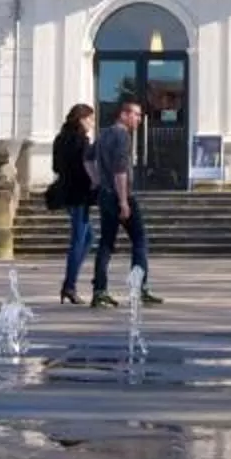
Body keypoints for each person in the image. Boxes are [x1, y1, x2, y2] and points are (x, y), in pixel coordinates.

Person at [89, 98, 163, 307]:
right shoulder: (122, 136)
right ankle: (139, 287)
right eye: (136, 115)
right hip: (120, 195)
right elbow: (120, 170)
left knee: (106, 243)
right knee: (140, 239)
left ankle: (99, 290)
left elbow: (87, 158)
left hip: (105, 194)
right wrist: (123, 201)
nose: (139, 119)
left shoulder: (104, 135)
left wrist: (97, 181)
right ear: (124, 115)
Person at [47, 103, 99, 304]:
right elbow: (85, 169)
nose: (92, 123)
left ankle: (70, 283)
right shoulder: (81, 141)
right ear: (81, 119)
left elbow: (56, 166)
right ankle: (69, 286)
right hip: (79, 194)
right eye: (90, 119)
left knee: (87, 237)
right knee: (79, 239)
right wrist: (94, 183)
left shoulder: (60, 139)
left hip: (67, 192)